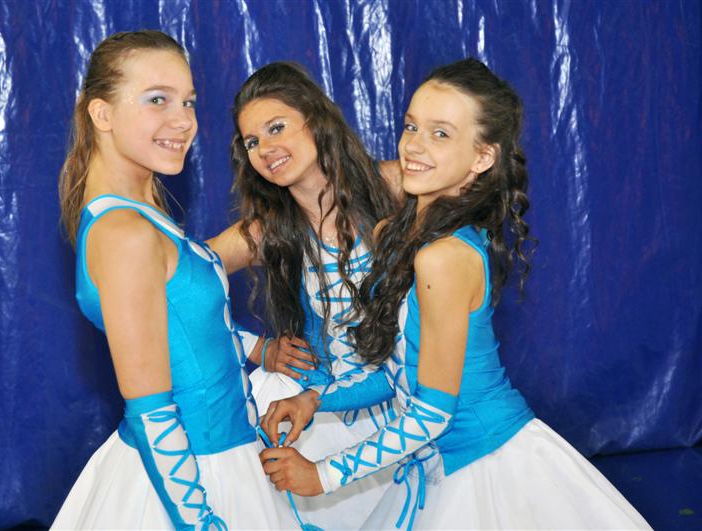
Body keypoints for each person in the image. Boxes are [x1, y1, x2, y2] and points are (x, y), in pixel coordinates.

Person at [258, 58, 651, 530]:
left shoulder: (444, 256)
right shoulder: (397, 235)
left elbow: (430, 413)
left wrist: (323, 475)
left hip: (490, 469)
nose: (414, 146)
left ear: (482, 158)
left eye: (440, 134)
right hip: (441, 466)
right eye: (411, 126)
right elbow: (401, 375)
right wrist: (314, 399)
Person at [51, 30, 296, 530]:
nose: (183, 120)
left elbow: (179, 312)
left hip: (223, 458)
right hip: (191, 477)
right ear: (102, 114)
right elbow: (152, 413)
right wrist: (201, 523)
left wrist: (258, 349)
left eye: (188, 101)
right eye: (157, 99)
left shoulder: (141, 216)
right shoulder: (125, 233)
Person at [207, 62, 402, 528]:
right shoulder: (265, 231)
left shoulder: (395, 188)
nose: (265, 149)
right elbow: (170, 290)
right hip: (304, 415)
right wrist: (256, 348)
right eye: (252, 142)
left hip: (405, 414)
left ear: (315, 119)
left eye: (276, 127)